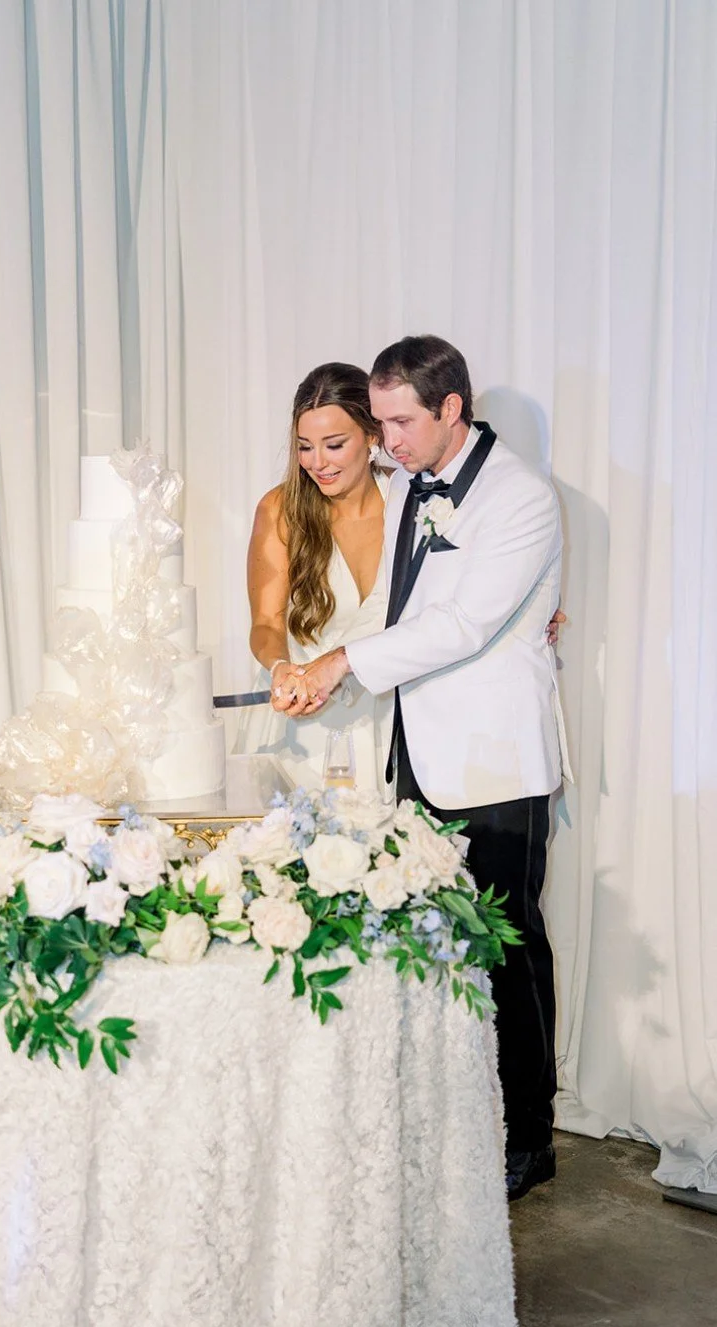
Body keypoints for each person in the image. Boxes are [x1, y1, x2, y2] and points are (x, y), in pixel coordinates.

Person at [289, 335, 570, 1202]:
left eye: (400, 422)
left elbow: (463, 626)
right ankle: (456, 1118)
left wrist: (338, 664)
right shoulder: (414, 481)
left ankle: (530, 1135)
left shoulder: (520, 498)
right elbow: (403, 600)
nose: (386, 441)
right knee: (432, 942)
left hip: (492, 761)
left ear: (452, 408)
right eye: (379, 423)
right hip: (416, 750)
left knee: (507, 947)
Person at [240, 363, 393, 793]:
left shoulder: (410, 504)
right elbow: (266, 623)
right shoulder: (279, 510)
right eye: (305, 447)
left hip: (388, 722)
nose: (317, 463)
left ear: (372, 435)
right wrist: (281, 667)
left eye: (334, 444)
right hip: (303, 730)